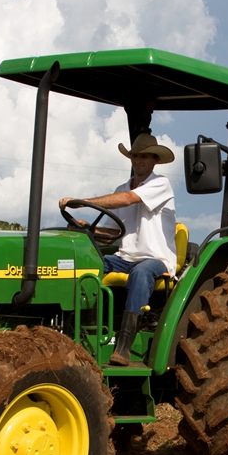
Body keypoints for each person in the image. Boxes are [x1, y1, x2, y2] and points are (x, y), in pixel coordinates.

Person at [60, 133, 177, 366]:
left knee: (141, 272)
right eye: (135, 156)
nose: (138, 160)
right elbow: (110, 234)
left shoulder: (159, 183)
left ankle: (123, 347)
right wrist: (86, 228)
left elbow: (126, 199)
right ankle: (73, 330)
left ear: (155, 160)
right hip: (125, 257)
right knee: (91, 265)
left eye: (144, 156)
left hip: (156, 259)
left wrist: (82, 200)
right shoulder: (121, 188)